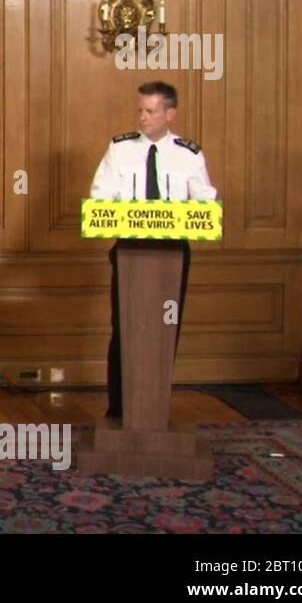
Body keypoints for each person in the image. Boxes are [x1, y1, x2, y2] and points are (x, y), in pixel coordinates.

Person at [89, 80, 216, 419]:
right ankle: (118, 410)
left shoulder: (189, 154)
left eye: (150, 111)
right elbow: (100, 197)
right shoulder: (119, 149)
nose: (142, 118)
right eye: (140, 110)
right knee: (124, 328)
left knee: (165, 328)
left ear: (169, 114)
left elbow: (206, 201)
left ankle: (154, 409)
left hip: (172, 254)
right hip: (130, 250)